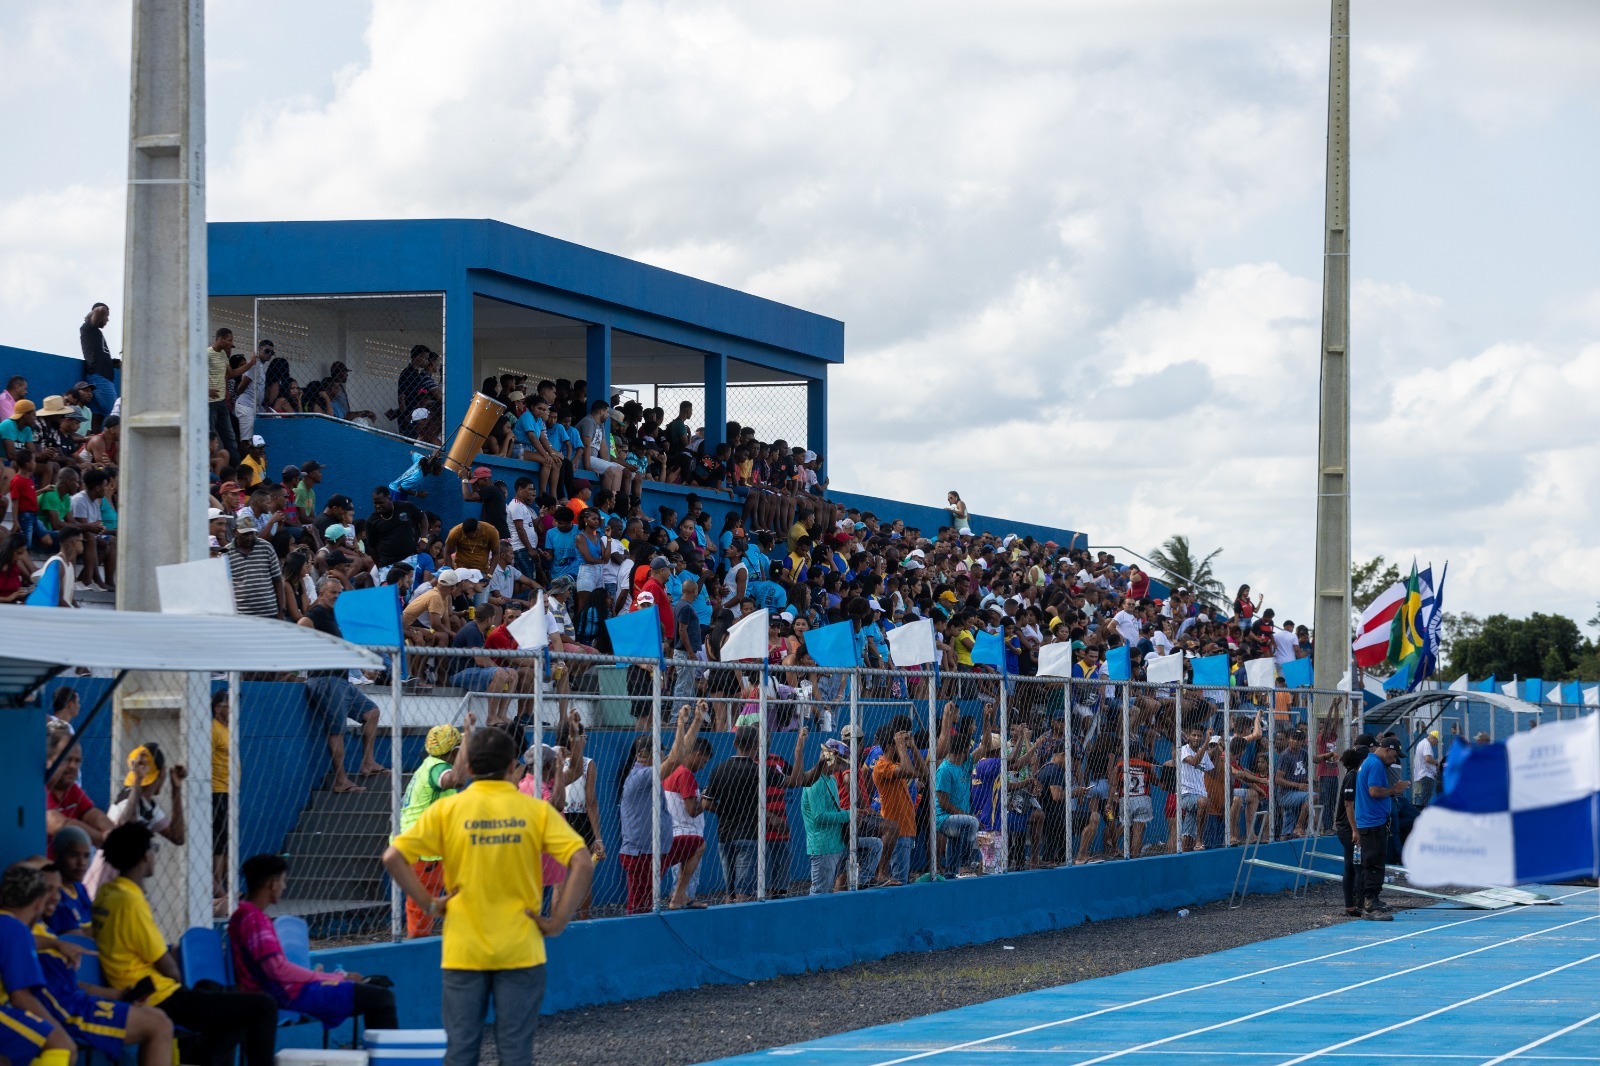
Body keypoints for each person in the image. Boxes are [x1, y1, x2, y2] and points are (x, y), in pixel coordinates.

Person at [383, 725, 594, 1066]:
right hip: (521, 948)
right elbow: (582, 862)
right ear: (513, 766)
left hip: (464, 949)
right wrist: (557, 922)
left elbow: (393, 856)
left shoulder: (447, 810)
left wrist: (430, 904)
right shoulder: (534, 810)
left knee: (462, 1050)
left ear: (467, 767)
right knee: (514, 1051)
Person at [93, 823, 280, 1066]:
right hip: (155, 996)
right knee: (263, 1006)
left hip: (140, 988)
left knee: (222, 998)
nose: (155, 854)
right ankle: (204, 1058)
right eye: (153, 848)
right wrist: (181, 983)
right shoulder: (131, 901)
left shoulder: (107, 892)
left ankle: (201, 1059)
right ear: (143, 855)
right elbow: (168, 968)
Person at [29, 861, 176, 1066]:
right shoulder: (18, 929)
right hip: (67, 1013)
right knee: (158, 1025)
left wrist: (117, 994)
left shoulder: (43, 929)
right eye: (48, 889)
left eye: (58, 889)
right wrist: (55, 944)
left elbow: (71, 986)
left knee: (158, 1016)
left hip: (78, 1003)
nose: (56, 896)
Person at [229, 854, 398, 1029]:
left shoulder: (246, 915)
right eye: (283, 881)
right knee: (381, 998)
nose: (284, 886)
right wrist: (334, 977)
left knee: (374, 992)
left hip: (287, 990)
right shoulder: (253, 919)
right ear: (273, 884)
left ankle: (377, 1052)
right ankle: (385, 1055)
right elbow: (277, 970)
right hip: (290, 993)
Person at [0, 864, 103, 1066]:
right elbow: (21, 997)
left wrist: (56, 943)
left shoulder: (7, 925)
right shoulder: (16, 929)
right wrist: (56, 1030)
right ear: (39, 903)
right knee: (62, 1046)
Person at [301, 578, 390, 791]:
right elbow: (303, 624)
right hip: (326, 680)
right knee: (337, 730)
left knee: (372, 713)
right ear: (321, 594)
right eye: (332, 592)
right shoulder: (318, 613)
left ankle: (367, 763)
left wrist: (360, 669)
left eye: (339, 593)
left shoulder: (333, 616)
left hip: (340, 680)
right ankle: (341, 781)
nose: (336, 596)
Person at [616, 705, 705, 915]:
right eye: (662, 754)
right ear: (649, 755)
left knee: (697, 845)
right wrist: (680, 724)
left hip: (660, 849)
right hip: (643, 855)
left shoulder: (648, 774)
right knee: (639, 910)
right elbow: (675, 759)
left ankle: (679, 895)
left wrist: (697, 721)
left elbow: (678, 756)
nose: (666, 758)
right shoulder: (641, 776)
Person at [398, 722, 471, 938]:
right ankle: (417, 944)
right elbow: (456, 780)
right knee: (423, 902)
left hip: (426, 844)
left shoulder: (429, 765)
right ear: (454, 750)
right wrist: (466, 742)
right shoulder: (438, 768)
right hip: (423, 848)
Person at [1354, 737, 1409, 921]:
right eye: (1393, 756)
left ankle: (1369, 901)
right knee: (1374, 862)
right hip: (1372, 821)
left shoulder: (1371, 762)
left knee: (1373, 861)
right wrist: (1395, 789)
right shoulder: (1376, 764)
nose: (1394, 760)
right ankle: (1369, 904)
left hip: (1371, 820)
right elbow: (1374, 792)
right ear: (1386, 750)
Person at [1333, 739, 1372, 918]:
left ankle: (1352, 905)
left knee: (1351, 865)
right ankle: (1357, 903)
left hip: (1350, 827)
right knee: (1357, 865)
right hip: (1348, 828)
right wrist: (1355, 830)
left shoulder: (1356, 776)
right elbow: (1349, 805)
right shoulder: (1352, 777)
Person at [80, 302, 118, 429]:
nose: (107, 319)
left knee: (97, 419)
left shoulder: (94, 332)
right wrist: (89, 316)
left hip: (97, 378)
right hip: (101, 378)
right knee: (115, 417)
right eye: (106, 316)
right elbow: (101, 309)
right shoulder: (88, 327)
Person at [1414, 729, 1440, 806]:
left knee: (1422, 798)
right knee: (1425, 800)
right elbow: (1427, 758)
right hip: (1426, 775)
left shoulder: (1422, 743)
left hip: (1421, 775)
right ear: (1433, 738)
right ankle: (1421, 815)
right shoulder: (1427, 744)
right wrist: (1436, 763)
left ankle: (1420, 813)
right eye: (1437, 741)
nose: (1436, 743)